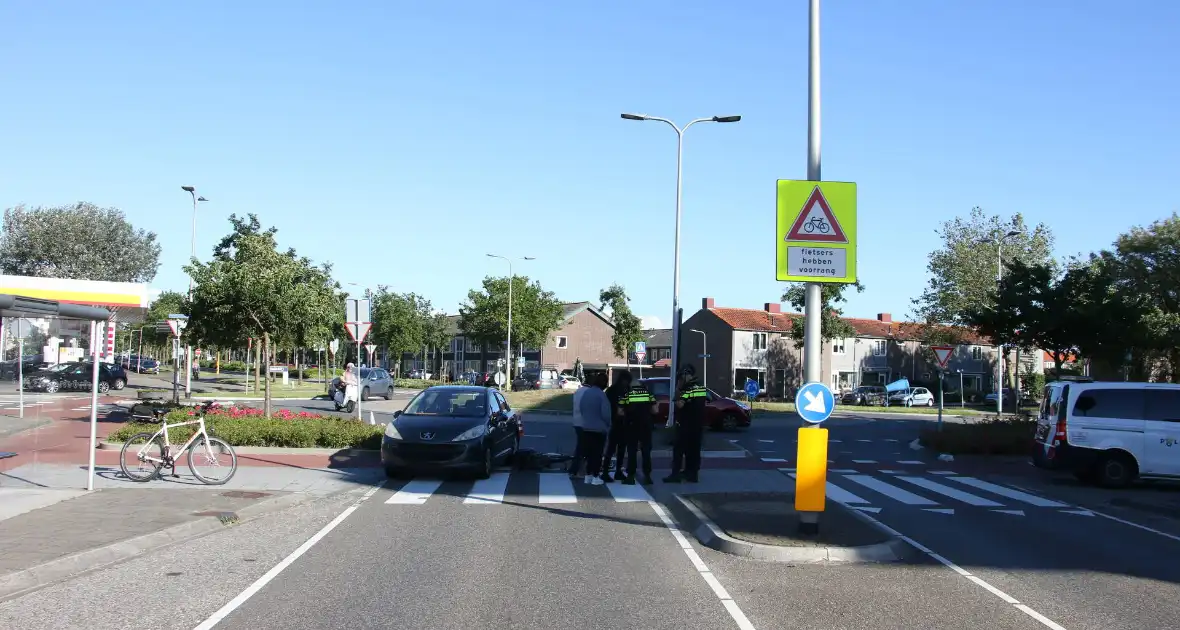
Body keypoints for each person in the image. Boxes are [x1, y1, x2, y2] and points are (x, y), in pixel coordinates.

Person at [664, 365, 708, 483]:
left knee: (678, 450)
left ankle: (675, 475)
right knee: (693, 450)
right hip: (698, 425)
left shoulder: (687, 389)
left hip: (685, 425)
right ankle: (692, 474)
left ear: (684, 376)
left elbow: (680, 404)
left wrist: (678, 390)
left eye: (680, 378)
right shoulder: (701, 387)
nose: (679, 381)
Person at [619, 375, 658, 485]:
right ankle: (647, 476)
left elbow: (620, 412)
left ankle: (630, 476)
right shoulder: (649, 394)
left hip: (631, 426)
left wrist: (627, 413)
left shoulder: (627, 395)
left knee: (632, 451)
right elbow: (655, 410)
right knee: (646, 451)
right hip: (646, 426)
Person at [574, 373, 611, 485]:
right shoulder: (601, 395)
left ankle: (588, 475)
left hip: (586, 427)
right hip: (599, 429)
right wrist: (608, 424)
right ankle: (596, 476)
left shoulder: (587, 393)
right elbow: (606, 414)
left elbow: (581, 408)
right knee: (597, 454)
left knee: (589, 453)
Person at [600, 372, 631, 482]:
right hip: (618, 422)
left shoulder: (614, 390)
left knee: (616, 449)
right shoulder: (619, 390)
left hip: (618, 422)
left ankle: (613, 471)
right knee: (615, 449)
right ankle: (610, 472)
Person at [568, 379, 589, 478]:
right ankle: (576, 470)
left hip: (576, 421)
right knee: (582, 448)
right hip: (584, 423)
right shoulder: (588, 392)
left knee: (581, 447)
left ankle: (576, 469)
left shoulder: (578, 391)